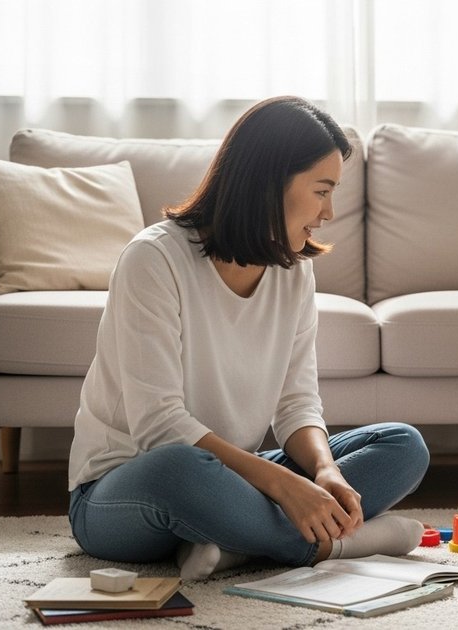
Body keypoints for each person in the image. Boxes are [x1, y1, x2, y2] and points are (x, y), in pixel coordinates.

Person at [68, 96, 429, 581]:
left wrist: (324, 473)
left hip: (233, 478)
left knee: (402, 445)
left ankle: (235, 545)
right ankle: (341, 544)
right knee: (179, 466)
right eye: (322, 190)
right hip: (126, 489)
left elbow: (296, 404)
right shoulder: (153, 260)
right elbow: (158, 426)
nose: (329, 211)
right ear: (269, 182)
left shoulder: (293, 271)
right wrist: (283, 486)